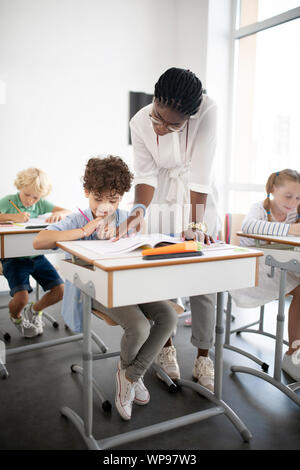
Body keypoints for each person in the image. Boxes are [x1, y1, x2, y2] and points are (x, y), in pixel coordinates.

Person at [34, 156, 178, 421]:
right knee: (139, 327)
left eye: (112, 201)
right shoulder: (76, 219)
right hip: (97, 290)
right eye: (99, 198)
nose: (105, 206)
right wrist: (82, 231)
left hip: (131, 285)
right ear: (87, 192)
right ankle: (132, 376)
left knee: (169, 316)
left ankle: (130, 375)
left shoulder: (125, 218)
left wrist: (132, 234)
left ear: (121, 198)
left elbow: (140, 244)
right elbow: (40, 241)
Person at [114, 67, 220, 392]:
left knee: (205, 280)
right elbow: (145, 176)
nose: (160, 128)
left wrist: (195, 224)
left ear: (192, 113)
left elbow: (201, 174)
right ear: (155, 100)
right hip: (161, 199)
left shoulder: (209, 111)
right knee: (164, 274)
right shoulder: (138, 121)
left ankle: (203, 355)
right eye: (158, 116)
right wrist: (137, 212)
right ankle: (167, 347)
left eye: (172, 124)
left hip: (197, 200)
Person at [230, 169, 300, 381]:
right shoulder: (259, 209)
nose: (292, 202)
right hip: (253, 271)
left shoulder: (292, 215)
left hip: (277, 268)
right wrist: (291, 230)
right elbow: (249, 226)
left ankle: (295, 348)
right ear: (272, 190)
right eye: (288, 196)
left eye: (298, 197)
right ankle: (292, 352)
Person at [0, 167, 69, 337]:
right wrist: (12, 217)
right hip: (13, 259)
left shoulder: (41, 204)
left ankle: (34, 310)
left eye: (35, 197)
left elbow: (67, 211)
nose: (30, 201)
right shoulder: (9, 201)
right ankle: (16, 317)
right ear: (20, 188)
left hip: (36, 256)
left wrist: (59, 214)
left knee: (60, 290)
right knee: (21, 298)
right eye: (27, 195)